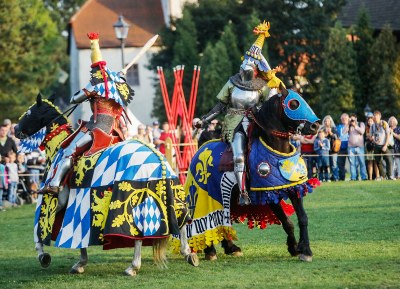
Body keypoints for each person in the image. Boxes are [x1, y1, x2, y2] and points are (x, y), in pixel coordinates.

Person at [195, 21, 284, 204]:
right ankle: (243, 192)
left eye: (251, 61)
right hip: (234, 122)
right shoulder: (231, 83)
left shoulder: (261, 86)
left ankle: (276, 182)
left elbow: (270, 105)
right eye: (246, 59)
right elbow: (220, 106)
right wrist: (204, 120)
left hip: (256, 122)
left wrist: (275, 88)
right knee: (239, 156)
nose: (247, 62)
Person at [42, 32, 134, 193]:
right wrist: (118, 78)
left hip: (98, 127)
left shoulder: (96, 84)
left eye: (93, 72)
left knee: (69, 150)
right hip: (115, 127)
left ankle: (55, 184)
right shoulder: (115, 84)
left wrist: (89, 94)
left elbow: (74, 99)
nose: (92, 75)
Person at [370, 110, 393, 180]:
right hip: (376, 146)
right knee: (377, 161)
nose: (375, 117)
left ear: (380, 116)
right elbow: (371, 136)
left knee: (389, 160)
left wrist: (385, 145)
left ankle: (389, 176)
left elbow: (388, 134)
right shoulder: (372, 126)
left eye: (376, 116)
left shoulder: (384, 123)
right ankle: (383, 176)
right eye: (374, 116)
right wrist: (373, 139)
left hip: (384, 145)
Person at [347, 113, 367, 181]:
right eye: (351, 119)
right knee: (352, 163)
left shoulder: (361, 124)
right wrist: (348, 124)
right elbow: (343, 132)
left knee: (362, 162)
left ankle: (364, 177)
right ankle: (353, 177)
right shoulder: (349, 125)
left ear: (356, 119)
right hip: (351, 147)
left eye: (353, 119)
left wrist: (355, 125)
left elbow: (362, 131)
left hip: (360, 147)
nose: (352, 120)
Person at [320, 115, 339, 181]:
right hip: (325, 150)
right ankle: (327, 177)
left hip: (333, 149)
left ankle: (336, 177)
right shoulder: (322, 129)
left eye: (328, 121)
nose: (326, 122)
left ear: (330, 122)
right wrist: (324, 134)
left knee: (334, 164)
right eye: (325, 121)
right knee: (326, 165)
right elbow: (319, 138)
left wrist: (331, 133)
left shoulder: (334, 128)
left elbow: (337, 138)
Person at [365, 113, 379, 180]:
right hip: (369, 146)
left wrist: (373, 137)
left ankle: (377, 176)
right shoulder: (366, 128)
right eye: (369, 121)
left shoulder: (376, 126)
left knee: (376, 162)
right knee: (370, 161)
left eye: (371, 121)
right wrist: (370, 137)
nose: (370, 122)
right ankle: (370, 177)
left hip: (375, 145)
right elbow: (367, 136)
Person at [336, 113, 350, 181]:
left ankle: (354, 177)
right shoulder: (338, 127)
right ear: (341, 120)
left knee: (353, 163)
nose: (344, 120)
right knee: (340, 164)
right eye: (343, 119)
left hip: (350, 146)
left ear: (348, 119)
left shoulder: (351, 126)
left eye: (345, 119)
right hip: (341, 147)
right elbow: (337, 135)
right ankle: (342, 178)